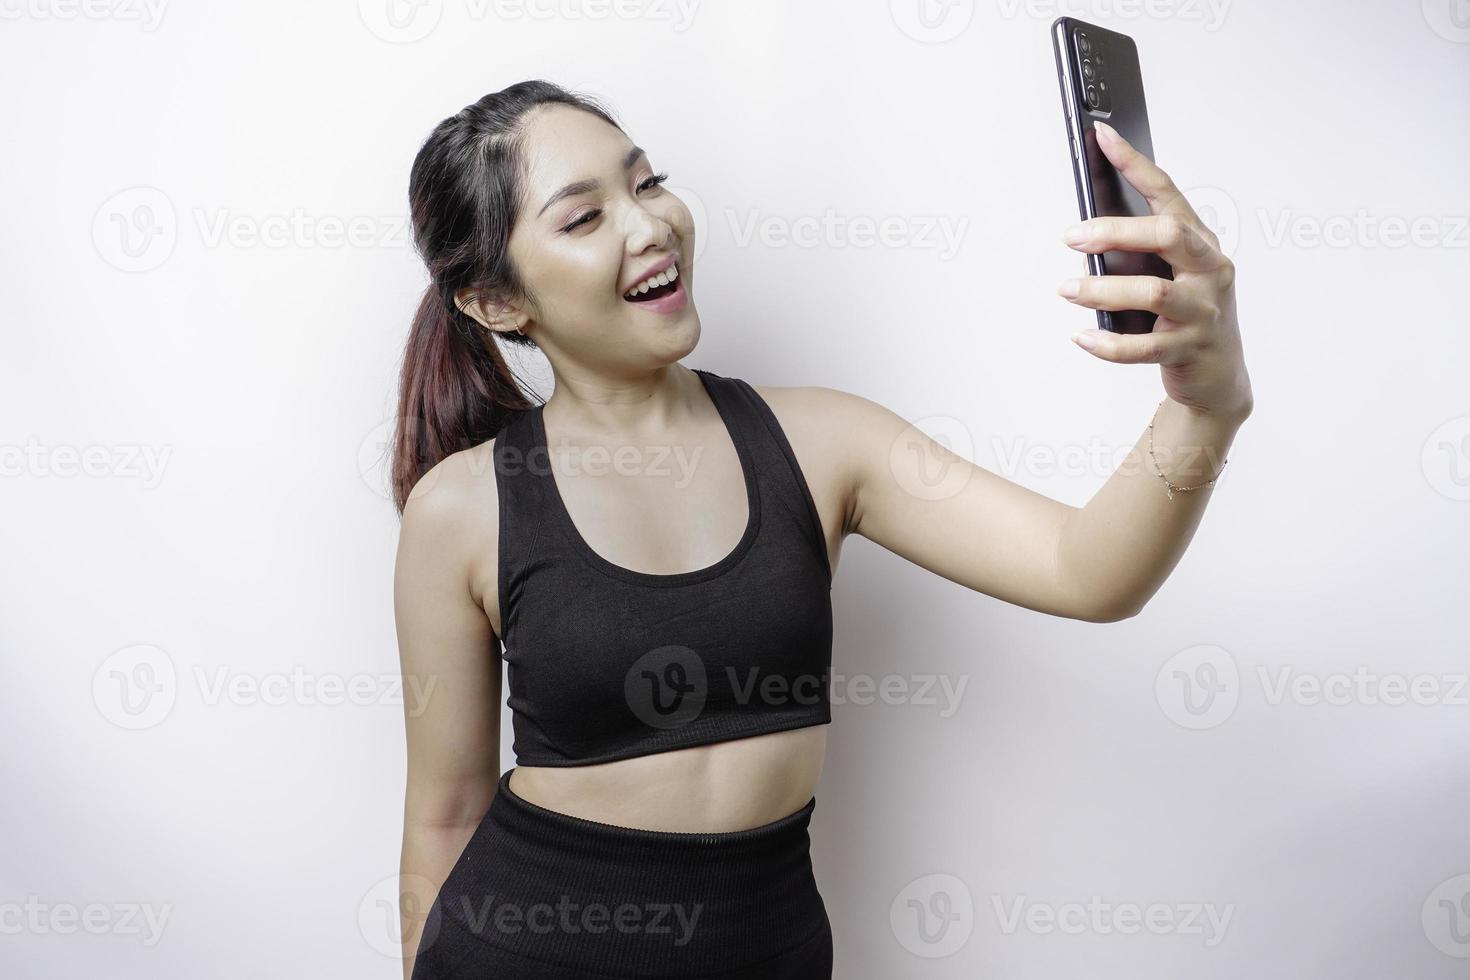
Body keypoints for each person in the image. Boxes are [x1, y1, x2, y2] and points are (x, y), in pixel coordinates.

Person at [390, 79, 1252, 980]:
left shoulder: (826, 441)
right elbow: (444, 815)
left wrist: (1207, 406)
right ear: (495, 302)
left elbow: (1087, 573)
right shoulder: (463, 508)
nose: (649, 226)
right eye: (583, 218)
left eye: (647, 184)